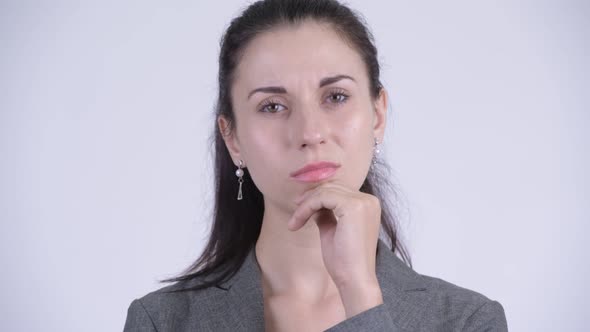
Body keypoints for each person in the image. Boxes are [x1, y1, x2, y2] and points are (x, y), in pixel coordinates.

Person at [123, 0, 508, 330]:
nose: (309, 132)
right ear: (232, 137)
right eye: (272, 106)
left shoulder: (466, 321)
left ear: (377, 115)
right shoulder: (162, 321)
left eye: (336, 96)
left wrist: (361, 295)